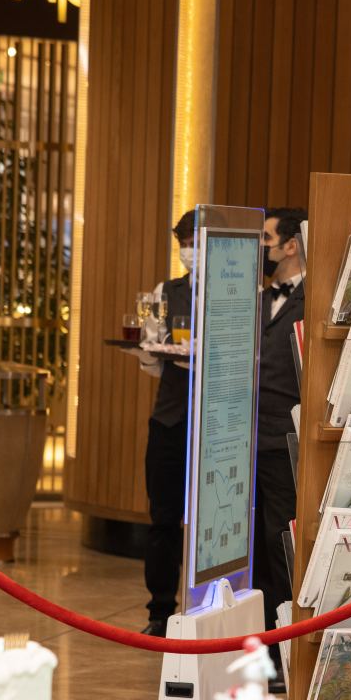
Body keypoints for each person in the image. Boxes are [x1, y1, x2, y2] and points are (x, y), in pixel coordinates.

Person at [251, 207, 306, 669]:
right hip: (245, 438)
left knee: (279, 543)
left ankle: (285, 647)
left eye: (267, 239)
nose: (262, 249)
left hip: (283, 438)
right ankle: (259, 644)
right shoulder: (258, 296)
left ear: (291, 245)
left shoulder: (312, 297)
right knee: (252, 548)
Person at [137, 212, 197, 634]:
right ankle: (160, 610)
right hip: (170, 418)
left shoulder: (242, 290)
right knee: (163, 519)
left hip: (217, 421)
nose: (188, 251)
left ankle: (211, 608)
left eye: (195, 241)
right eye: (183, 242)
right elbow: (151, 361)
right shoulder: (166, 292)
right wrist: (150, 347)